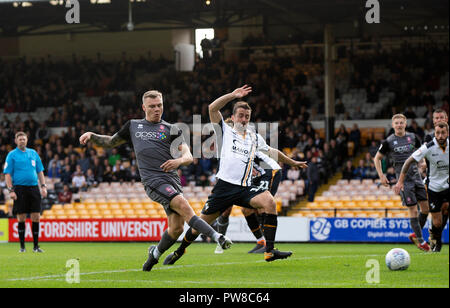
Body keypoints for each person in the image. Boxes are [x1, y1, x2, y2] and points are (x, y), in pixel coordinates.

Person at [79, 89, 231, 273]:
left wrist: (179, 160)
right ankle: (218, 237)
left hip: (172, 181)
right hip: (153, 180)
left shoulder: (171, 129)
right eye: (152, 106)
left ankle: (154, 255)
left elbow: (188, 155)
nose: (157, 109)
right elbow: (110, 142)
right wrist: (92, 135)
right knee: (183, 205)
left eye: (159, 105)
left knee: (176, 229)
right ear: (144, 107)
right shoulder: (133, 126)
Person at [163, 85, 307, 265]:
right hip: (224, 188)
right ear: (232, 117)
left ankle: (269, 251)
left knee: (269, 202)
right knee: (199, 225)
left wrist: (292, 162)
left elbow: (272, 152)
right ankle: (179, 251)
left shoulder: (254, 136)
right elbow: (212, 108)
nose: (244, 119)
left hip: (245, 188)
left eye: (247, 116)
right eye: (240, 115)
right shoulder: (225, 131)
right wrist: (233, 95)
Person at [374, 114, 430, 251]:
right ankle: (421, 241)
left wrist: (422, 163)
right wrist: (381, 175)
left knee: (426, 208)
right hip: (403, 181)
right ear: (393, 125)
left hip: (417, 177)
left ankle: (415, 234)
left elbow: (421, 152)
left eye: (401, 123)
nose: (399, 125)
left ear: (405, 124)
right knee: (413, 210)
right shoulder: (388, 141)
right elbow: (377, 159)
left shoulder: (413, 137)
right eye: (396, 123)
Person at [394, 122, 449, 252]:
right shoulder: (428, 147)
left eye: (443, 133)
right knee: (437, 223)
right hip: (433, 189)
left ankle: (436, 246)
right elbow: (408, 161)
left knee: (446, 208)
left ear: (447, 133)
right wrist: (400, 181)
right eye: (437, 133)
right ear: (434, 133)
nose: (440, 136)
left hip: (447, 186)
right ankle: (433, 239)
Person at [3, 132, 47, 253]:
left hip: (34, 188)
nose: (22, 141)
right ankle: (22, 247)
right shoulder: (11, 155)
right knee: (21, 217)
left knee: (36, 216)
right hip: (19, 189)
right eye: (20, 139)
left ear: (27, 140)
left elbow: (40, 171)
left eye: (24, 139)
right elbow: (7, 174)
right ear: (16, 141)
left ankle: (36, 247)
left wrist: (43, 186)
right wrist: (11, 190)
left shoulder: (33, 153)